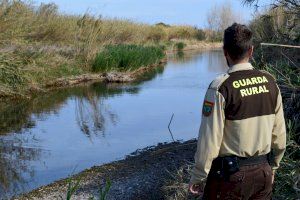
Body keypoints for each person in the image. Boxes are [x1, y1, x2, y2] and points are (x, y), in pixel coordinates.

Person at [188, 23, 286, 200]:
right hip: (263, 173)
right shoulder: (271, 83)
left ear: (225, 51)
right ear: (251, 50)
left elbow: (209, 140)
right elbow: (279, 136)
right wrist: (273, 167)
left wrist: (199, 176)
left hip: (229, 178)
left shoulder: (220, 88)